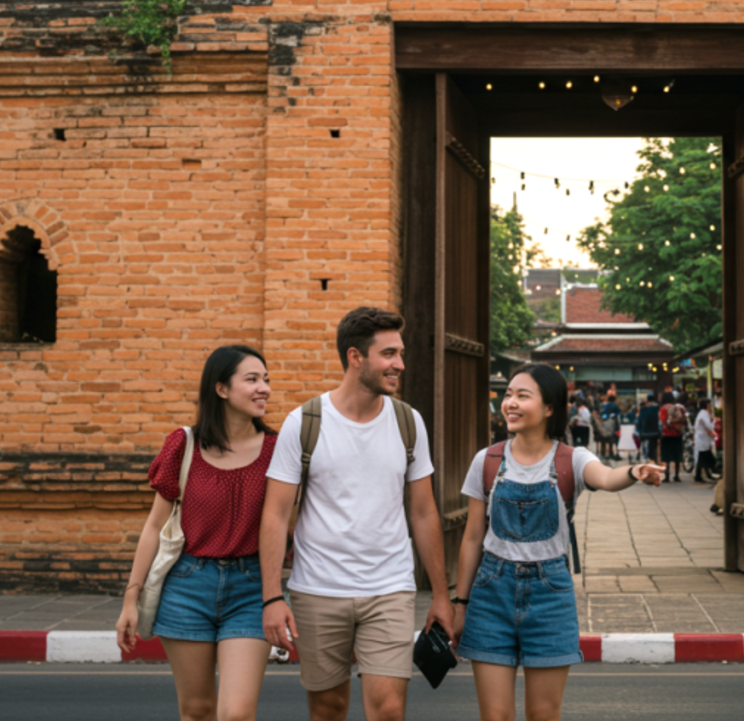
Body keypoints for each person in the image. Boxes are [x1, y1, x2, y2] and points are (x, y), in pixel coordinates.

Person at [257, 308, 452, 721]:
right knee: (328, 709)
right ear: (355, 357)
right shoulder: (304, 422)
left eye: (400, 353)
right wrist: (273, 595)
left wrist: (439, 595)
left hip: (389, 588)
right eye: (389, 354)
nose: (399, 364)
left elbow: (423, 512)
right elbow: (275, 514)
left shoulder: (408, 422)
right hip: (318, 589)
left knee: (388, 710)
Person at [452, 364, 663, 721]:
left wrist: (634, 472)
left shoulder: (572, 459)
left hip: (550, 597)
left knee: (543, 715)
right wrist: (460, 603)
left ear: (549, 408)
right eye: (508, 395)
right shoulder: (487, 460)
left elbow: (607, 478)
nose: (510, 403)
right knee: (495, 716)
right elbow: (473, 537)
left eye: (522, 395)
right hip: (491, 594)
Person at [116, 345, 277, 721]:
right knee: (197, 710)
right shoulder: (184, 445)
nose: (264, 388)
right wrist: (130, 598)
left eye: (266, 380)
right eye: (252, 379)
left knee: (236, 713)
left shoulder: (278, 448)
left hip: (251, 587)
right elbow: (155, 526)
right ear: (221, 389)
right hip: (187, 586)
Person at [659, 391, 688, 482]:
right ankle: (676, 475)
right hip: (677, 433)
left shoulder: (663, 409)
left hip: (667, 434)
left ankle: (667, 475)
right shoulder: (677, 407)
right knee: (677, 455)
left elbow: (663, 421)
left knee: (666, 456)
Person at [692, 400, 718, 482]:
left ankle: (700, 475)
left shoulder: (702, 413)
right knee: (705, 457)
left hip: (703, 439)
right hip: (702, 439)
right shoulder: (704, 414)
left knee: (701, 458)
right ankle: (709, 473)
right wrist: (713, 419)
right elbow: (709, 426)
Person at [635, 392, 661, 464]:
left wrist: (638, 430)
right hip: (655, 431)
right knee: (654, 446)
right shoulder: (658, 409)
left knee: (644, 445)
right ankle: (654, 459)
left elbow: (640, 420)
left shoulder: (643, 409)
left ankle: (646, 458)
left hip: (645, 432)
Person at [597, 395, 620, 461]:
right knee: (611, 439)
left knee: (603, 439)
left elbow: (601, 414)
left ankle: (603, 453)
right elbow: (618, 415)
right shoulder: (615, 406)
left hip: (604, 424)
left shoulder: (604, 406)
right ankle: (611, 453)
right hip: (612, 424)